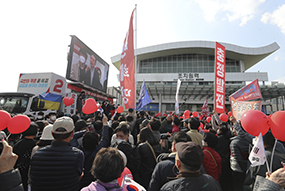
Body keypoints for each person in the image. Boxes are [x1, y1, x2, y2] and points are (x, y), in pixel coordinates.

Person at [30, 117, 84, 191]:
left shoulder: (37, 154)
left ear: (52, 133)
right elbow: (78, 176)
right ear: (72, 133)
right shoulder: (77, 154)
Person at [13, 123, 38, 191]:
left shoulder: (17, 144)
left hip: (18, 171)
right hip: (31, 172)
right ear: (36, 132)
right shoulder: (35, 145)